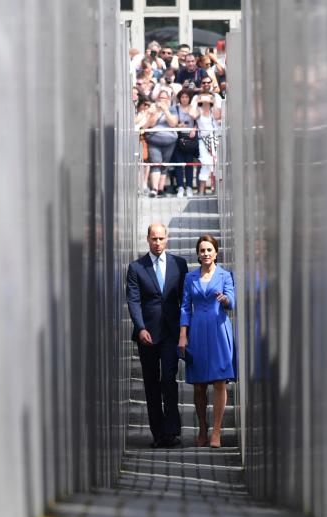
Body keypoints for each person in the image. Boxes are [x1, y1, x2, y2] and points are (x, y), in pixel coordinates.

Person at [127, 223, 189, 448]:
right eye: (154, 239)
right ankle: (158, 434)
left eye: (161, 238)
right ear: (147, 239)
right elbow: (133, 300)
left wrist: (184, 331)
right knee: (151, 384)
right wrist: (140, 327)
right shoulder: (136, 267)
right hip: (148, 335)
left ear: (167, 238)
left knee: (169, 380)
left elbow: (185, 300)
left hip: (172, 333)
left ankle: (172, 430)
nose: (158, 242)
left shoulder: (179, 265)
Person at [178, 234, 235, 448]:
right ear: (198, 254)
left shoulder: (225, 275)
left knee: (220, 381)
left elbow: (232, 301)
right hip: (198, 331)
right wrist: (183, 335)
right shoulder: (190, 278)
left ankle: (217, 431)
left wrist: (225, 299)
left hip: (219, 330)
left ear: (216, 252)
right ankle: (202, 427)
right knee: (199, 385)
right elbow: (185, 307)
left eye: (209, 250)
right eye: (202, 250)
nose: (206, 254)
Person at [143, 87, 179, 197]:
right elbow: (149, 125)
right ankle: (154, 189)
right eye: (161, 98)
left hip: (170, 140)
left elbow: (173, 123)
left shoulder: (172, 109)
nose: (163, 100)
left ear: (169, 99)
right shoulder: (152, 108)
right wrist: (156, 113)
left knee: (165, 165)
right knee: (156, 162)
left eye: (165, 98)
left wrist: (166, 111)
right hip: (154, 139)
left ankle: (160, 189)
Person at [189, 93, 221, 195]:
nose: (206, 102)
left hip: (216, 139)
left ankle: (216, 191)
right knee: (205, 163)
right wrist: (196, 100)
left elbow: (218, 116)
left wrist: (214, 101)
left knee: (217, 164)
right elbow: (192, 115)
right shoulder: (198, 111)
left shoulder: (213, 110)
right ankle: (201, 192)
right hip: (203, 139)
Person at [170, 88, 198, 197]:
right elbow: (172, 122)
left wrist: (194, 129)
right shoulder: (174, 108)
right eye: (182, 97)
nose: (184, 99)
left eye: (186, 97)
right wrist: (178, 125)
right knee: (179, 163)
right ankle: (180, 187)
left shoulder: (193, 108)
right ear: (179, 98)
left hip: (190, 137)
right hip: (178, 136)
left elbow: (197, 121)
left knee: (189, 163)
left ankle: (189, 187)